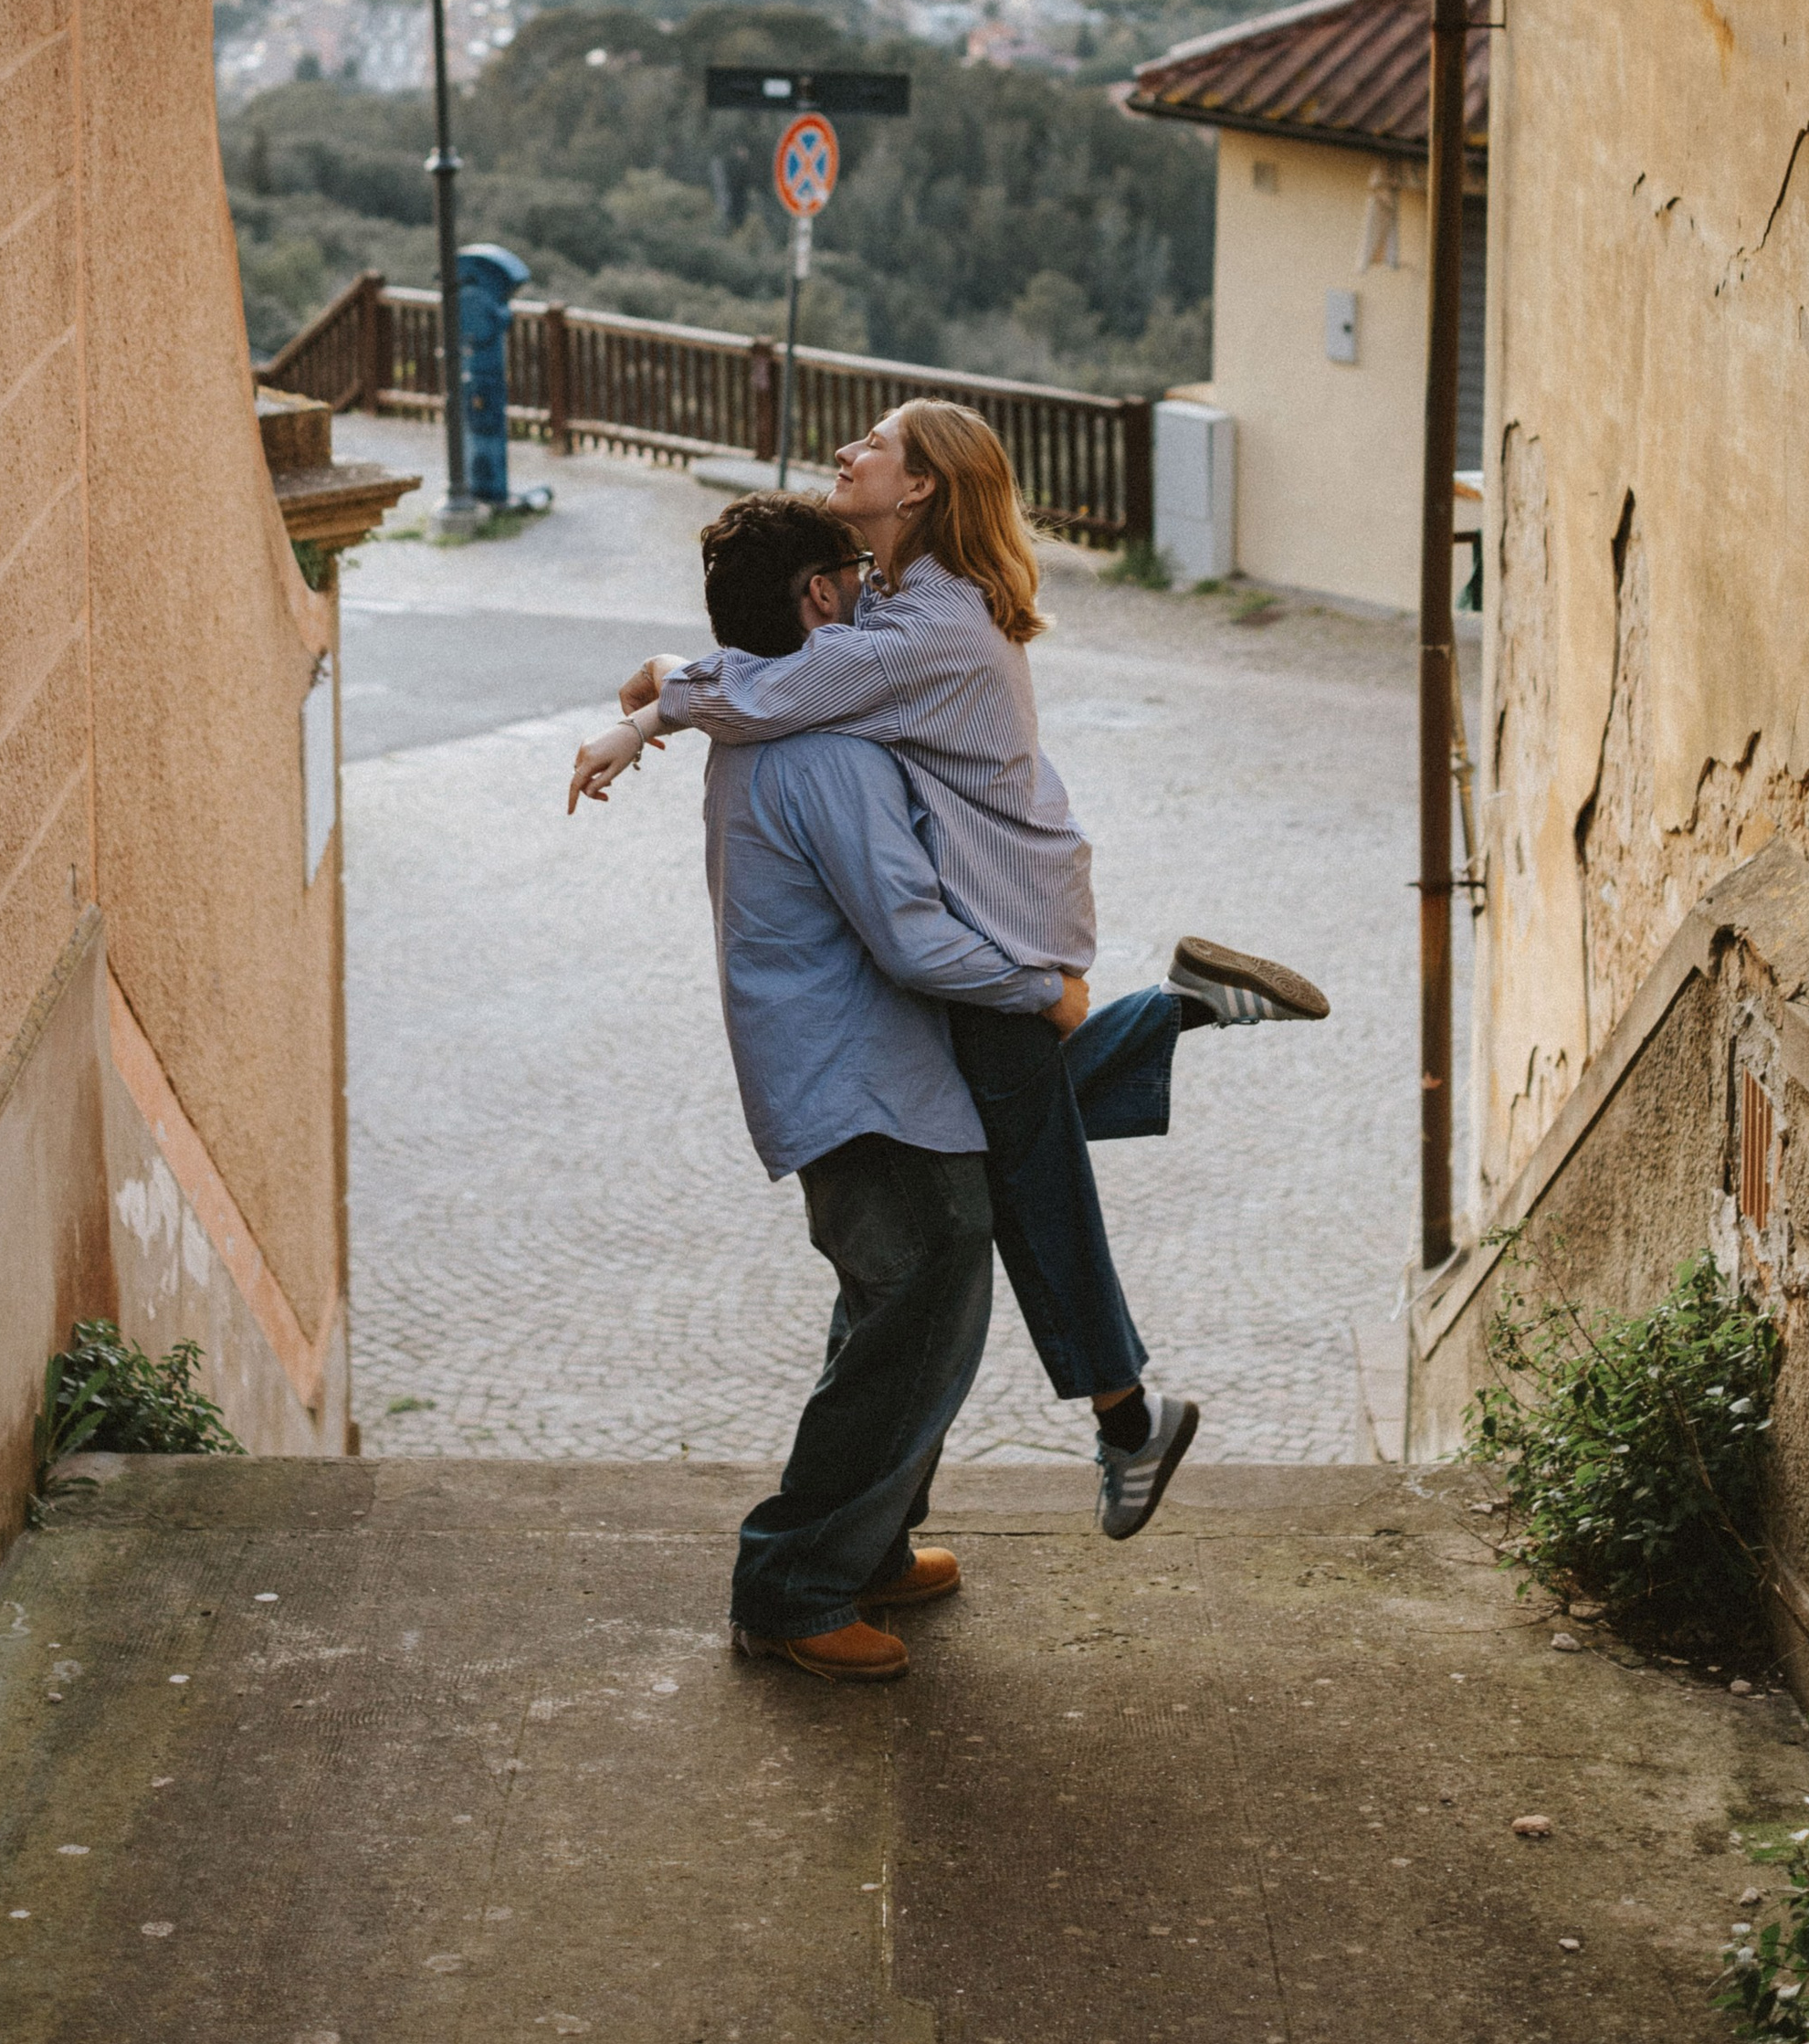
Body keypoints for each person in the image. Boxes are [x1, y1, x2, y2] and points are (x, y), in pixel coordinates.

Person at [570, 407, 1330, 1538]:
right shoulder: (898, 601)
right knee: (1017, 1140)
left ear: (922, 490)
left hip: (996, 924)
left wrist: (652, 706)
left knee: (1028, 1173)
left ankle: (1129, 1424)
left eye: (871, 446)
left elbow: (774, 693)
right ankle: (1177, 1018)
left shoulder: (935, 626)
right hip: (1000, 905)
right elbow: (787, 662)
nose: (845, 453)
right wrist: (661, 696)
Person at [673, 497, 1083, 1684]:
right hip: (863, 1084)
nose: (870, 595)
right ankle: (794, 1584)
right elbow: (909, 937)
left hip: (852, 1077)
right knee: (923, 1300)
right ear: (817, 596)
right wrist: (1040, 985)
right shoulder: (824, 749)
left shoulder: (763, 721)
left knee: (889, 1306)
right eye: (856, 575)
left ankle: (868, 1543)